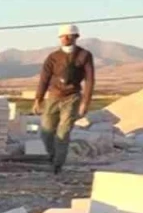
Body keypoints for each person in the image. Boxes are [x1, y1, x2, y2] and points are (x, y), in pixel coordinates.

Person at [33, 24, 96, 174]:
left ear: (76, 37)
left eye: (69, 35)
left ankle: (58, 165)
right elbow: (44, 79)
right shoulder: (53, 57)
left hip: (72, 98)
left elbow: (90, 80)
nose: (65, 38)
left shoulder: (84, 55)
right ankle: (52, 156)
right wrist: (38, 99)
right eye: (63, 36)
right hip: (53, 97)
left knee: (63, 132)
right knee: (46, 132)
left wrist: (85, 102)